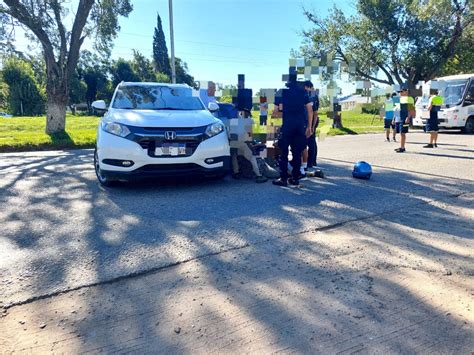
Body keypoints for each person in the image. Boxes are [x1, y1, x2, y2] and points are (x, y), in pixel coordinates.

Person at [272, 76, 313, 187]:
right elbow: (310, 109)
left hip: (288, 125)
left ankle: (283, 178)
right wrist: (309, 126)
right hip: (300, 126)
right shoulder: (303, 93)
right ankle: (295, 178)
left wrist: (279, 113)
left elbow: (275, 112)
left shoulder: (281, 92)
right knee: (297, 152)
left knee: (283, 152)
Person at [393, 85, 415, 153]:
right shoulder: (398, 99)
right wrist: (393, 119)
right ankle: (401, 146)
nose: (400, 93)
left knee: (403, 133)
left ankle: (402, 147)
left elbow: (411, 109)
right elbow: (396, 110)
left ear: (406, 92)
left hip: (405, 118)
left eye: (402, 92)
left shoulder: (409, 99)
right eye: (400, 92)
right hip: (398, 118)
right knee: (400, 132)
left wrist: (408, 117)